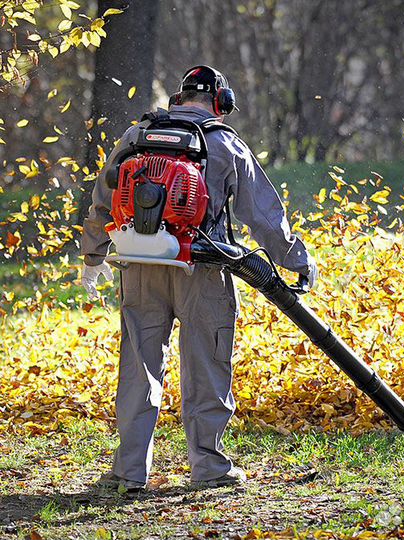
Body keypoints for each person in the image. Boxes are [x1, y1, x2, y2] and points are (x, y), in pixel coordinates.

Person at [80, 65, 318, 491]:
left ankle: (128, 472)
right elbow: (263, 216)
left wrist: (92, 255)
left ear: (178, 97)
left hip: (138, 266)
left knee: (139, 367)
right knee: (206, 365)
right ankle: (209, 468)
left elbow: (104, 196)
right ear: (220, 104)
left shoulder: (136, 136)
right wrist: (297, 261)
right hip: (202, 269)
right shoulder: (225, 143)